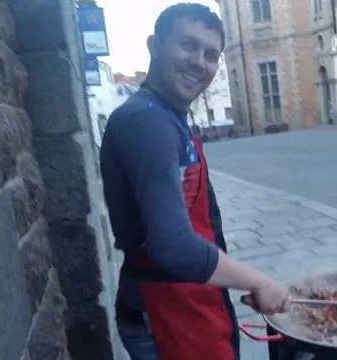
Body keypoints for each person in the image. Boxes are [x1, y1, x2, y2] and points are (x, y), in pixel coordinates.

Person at [99, 4, 291, 360]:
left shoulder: (166, 116)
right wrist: (258, 281)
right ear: (155, 45)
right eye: (187, 45)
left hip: (186, 299)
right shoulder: (147, 122)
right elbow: (172, 243)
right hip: (165, 308)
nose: (199, 62)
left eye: (210, 54)